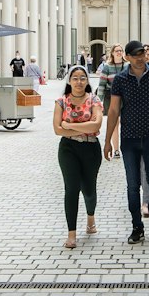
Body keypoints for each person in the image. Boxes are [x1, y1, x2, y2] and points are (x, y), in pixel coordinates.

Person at [103, 39, 149, 244]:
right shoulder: (120, 79)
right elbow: (114, 110)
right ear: (127, 57)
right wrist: (107, 141)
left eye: (143, 53)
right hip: (129, 140)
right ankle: (137, 226)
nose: (141, 58)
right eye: (136, 55)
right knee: (132, 186)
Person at [53, 65, 103, 248]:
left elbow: (96, 126)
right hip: (68, 149)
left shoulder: (94, 100)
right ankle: (71, 234)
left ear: (87, 81)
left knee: (89, 190)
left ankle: (90, 217)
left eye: (82, 78)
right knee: (71, 188)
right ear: (69, 80)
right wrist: (81, 127)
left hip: (90, 149)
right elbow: (57, 129)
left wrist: (68, 126)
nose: (79, 81)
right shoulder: (61, 102)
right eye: (75, 78)